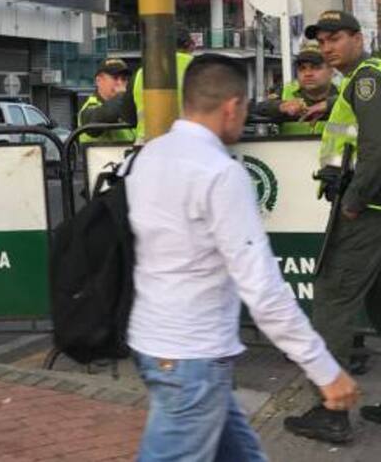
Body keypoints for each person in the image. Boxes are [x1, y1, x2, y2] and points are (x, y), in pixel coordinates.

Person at [127, 54, 359, 460]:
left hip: (157, 343)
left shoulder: (149, 156)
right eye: (246, 108)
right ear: (232, 106)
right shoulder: (220, 173)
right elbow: (264, 290)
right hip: (192, 358)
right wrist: (323, 368)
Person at [284, 10, 381, 443]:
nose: (327, 47)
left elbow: (376, 146)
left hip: (366, 210)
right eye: (322, 40)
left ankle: (330, 411)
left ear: (357, 38)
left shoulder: (367, 80)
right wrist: (326, 108)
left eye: (335, 39)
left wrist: (353, 201)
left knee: (332, 298)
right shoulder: (362, 81)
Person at [253, 41, 336, 135]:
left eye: (315, 68)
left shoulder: (344, 93)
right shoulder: (286, 91)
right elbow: (257, 108)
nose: (308, 74)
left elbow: (352, 131)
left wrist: (329, 106)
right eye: (302, 68)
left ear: (331, 71)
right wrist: (281, 107)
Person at [131, 26, 195, 141]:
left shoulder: (142, 72)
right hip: (189, 143)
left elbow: (127, 113)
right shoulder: (200, 69)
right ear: (191, 46)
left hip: (147, 145)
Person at [77, 57, 135, 143]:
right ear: (98, 81)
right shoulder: (91, 106)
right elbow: (94, 125)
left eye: (124, 79)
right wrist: (122, 96)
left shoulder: (125, 106)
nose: (120, 83)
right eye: (115, 78)